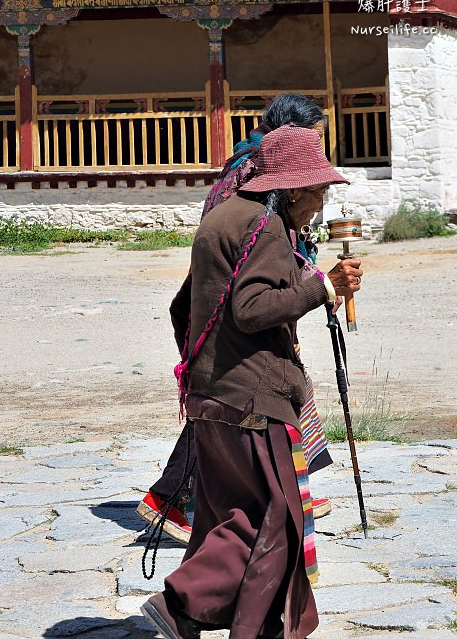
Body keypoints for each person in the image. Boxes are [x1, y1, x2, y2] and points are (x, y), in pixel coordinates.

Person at [140, 125, 362, 639]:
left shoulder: (223, 216)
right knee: (275, 521)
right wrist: (323, 286)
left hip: (211, 398)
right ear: (295, 189)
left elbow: (183, 308)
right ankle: (181, 604)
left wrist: (204, 372)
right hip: (251, 403)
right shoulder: (265, 227)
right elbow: (251, 307)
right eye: (319, 192)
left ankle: (212, 618)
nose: (320, 204)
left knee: (230, 517)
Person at [137, 95, 335, 546]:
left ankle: (290, 488)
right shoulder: (254, 178)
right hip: (234, 307)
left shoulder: (243, 168)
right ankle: (176, 499)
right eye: (314, 139)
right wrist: (310, 287)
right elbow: (255, 254)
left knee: (262, 394)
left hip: (238, 299)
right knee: (234, 402)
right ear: (289, 135)